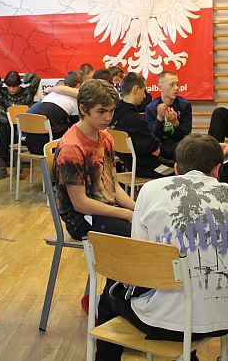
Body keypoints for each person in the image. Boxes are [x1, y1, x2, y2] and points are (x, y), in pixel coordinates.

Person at [91, 134, 228, 361]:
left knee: (112, 294)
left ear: (176, 168)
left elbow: (138, 264)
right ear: (218, 169)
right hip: (226, 318)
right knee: (189, 284)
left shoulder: (151, 190)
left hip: (167, 323)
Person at [55, 79, 135, 241]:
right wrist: (126, 214)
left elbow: (114, 186)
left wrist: (138, 209)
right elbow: (80, 204)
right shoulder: (72, 148)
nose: (108, 117)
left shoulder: (106, 137)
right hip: (81, 219)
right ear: (83, 109)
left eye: (111, 111)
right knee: (133, 233)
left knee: (147, 221)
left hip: (105, 207)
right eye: (101, 111)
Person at [110, 72, 171, 179]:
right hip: (148, 168)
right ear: (136, 89)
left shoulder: (113, 114)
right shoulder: (134, 120)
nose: (144, 96)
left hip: (130, 165)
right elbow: (156, 151)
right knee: (178, 169)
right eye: (144, 91)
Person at [0, 70, 41, 180]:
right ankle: (2, 165)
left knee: (11, 132)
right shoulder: (2, 92)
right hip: (7, 126)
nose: (11, 89)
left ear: (19, 85)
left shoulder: (27, 92)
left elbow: (37, 78)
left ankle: (15, 161)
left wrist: (25, 78)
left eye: (14, 86)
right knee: (4, 130)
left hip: (23, 128)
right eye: (9, 86)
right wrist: (0, 81)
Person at [23, 70, 82, 155]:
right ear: (79, 85)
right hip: (50, 147)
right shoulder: (74, 101)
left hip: (31, 145)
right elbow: (74, 128)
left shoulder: (50, 95)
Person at [146, 71, 192, 160]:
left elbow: (186, 134)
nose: (176, 88)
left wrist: (176, 123)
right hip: (160, 148)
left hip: (179, 147)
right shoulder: (151, 108)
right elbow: (153, 137)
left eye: (177, 84)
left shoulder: (185, 105)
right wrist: (159, 118)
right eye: (172, 85)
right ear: (160, 87)